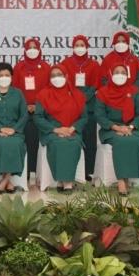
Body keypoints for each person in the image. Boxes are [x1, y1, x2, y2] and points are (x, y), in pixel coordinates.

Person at [96, 62, 139, 195]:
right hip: (110, 129)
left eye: (123, 73)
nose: (120, 75)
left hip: (131, 128)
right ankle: (121, 181)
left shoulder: (134, 91)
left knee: (135, 141)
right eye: (117, 72)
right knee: (121, 141)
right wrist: (116, 128)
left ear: (127, 75)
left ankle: (127, 177)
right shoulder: (102, 92)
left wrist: (130, 127)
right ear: (111, 74)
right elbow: (99, 116)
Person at [34, 66, 86, 193]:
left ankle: (65, 182)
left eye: (59, 74)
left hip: (72, 131)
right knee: (59, 143)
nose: (56, 78)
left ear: (66, 76)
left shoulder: (77, 95)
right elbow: (38, 117)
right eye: (53, 75)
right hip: (51, 131)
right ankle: (65, 182)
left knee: (73, 143)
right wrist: (56, 130)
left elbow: (84, 117)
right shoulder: (43, 94)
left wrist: (72, 128)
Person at [60, 35, 102, 178]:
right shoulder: (65, 63)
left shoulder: (94, 64)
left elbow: (95, 85)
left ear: (87, 47)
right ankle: (72, 171)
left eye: (82, 45)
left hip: (89, 107)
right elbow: (63, 83)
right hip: (71, 106)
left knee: (90, 141)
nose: (79, 48)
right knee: (72, 139)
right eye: (77, 45)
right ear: (73, 47)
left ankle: (89, 171)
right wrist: (76, 98)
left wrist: (83, 98)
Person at [0, 62, 28, 193]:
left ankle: (5, 180)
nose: (4, 77)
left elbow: (24, 115)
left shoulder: (18, 93)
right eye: (0, 75)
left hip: (15, 131)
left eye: (7, 75)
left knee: (16, 143)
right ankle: (8, 181)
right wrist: (0, 129)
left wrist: (14, 129)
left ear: (12, 77)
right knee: (3, 143)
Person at [13, 37, 50, 176]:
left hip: (42, 111)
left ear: (39, 49)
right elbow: (15, 89)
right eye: (29, 47)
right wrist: (25, 106)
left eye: (35, 47)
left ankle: (39, 173)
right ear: (25, 50)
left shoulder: (46, 67)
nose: (32, 50)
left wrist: (37, 106)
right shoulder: (19, 67)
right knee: (26, 135)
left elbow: (49, 90)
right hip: (23, 111)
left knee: (38, 135)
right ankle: (26, 172)